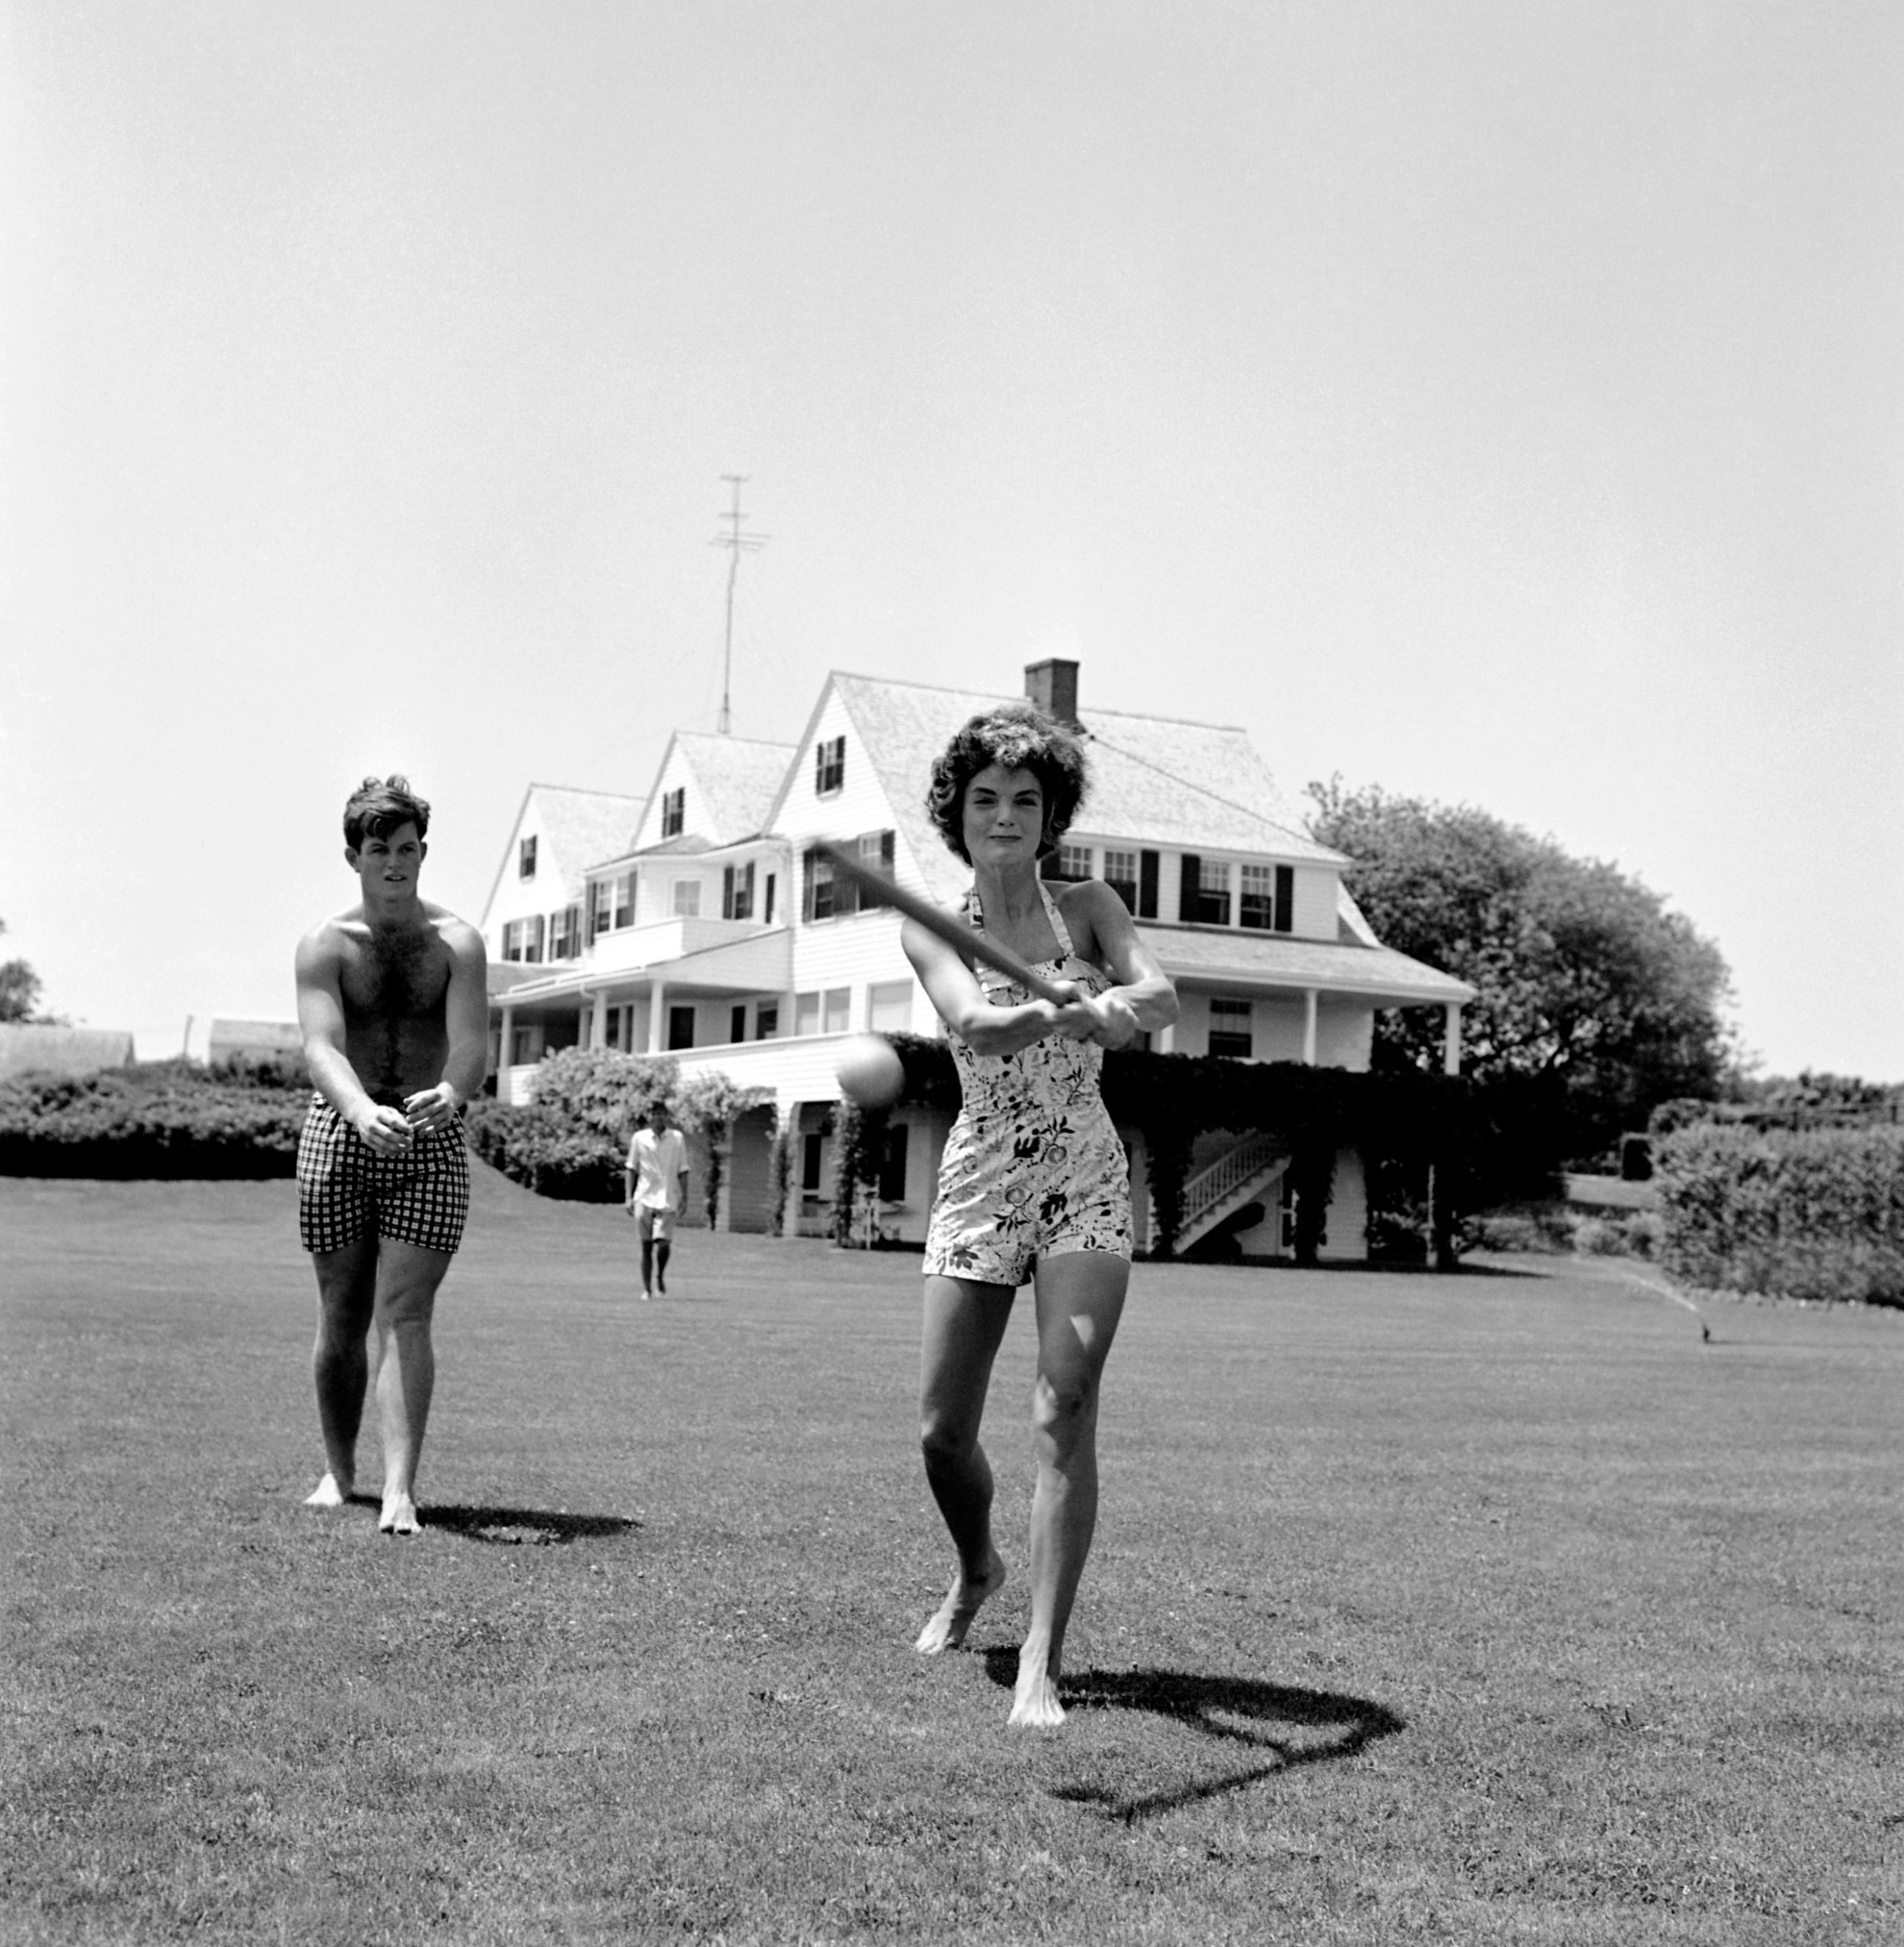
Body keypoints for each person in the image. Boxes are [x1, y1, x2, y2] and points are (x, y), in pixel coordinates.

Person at [901, 701, 1179, 1727]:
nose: (1006, 815)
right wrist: (1053, 1006)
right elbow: (973, 1021)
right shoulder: (928, 924)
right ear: (959, 815)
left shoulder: (1092, 906)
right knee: (941, 1432)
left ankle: (1041, 1665)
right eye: (986, 799)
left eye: (1026, 798)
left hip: (1082, 1171)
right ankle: (977, 1571)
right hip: (981, 1175)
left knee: (1064, 1404)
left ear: (1050, 812)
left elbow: (1163, 999)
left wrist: (1118, 999)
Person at [293, 776, 487, 1535]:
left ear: (423, 853)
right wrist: (357, 1109)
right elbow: (320, 1044)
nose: (396, 864)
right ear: (354, 856)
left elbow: (470, 1041)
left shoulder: (457, 944)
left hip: (428, 1137)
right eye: (380, 850)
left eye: (408, 849)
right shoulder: (324, 945)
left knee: (405, 1312)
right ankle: (341, 1477)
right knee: (341, 1313)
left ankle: (401, 1490)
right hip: (339, 1133)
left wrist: (452, 1090)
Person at [624, 1099, 690, 1300]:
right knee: (646, 1246)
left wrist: (684, 1197)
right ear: (649, 1116)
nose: (658, 1117)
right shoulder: (639, 1138)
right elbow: (631, 1168)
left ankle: (659, 1275)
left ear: (667, 1116)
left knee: (663, 1243)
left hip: (668, 1196)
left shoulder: (677, 1138)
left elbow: (683, 1169)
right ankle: (647, 1289)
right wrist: (628, 1197)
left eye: (662, 1113)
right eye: (654, 1113)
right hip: (644, 1196)